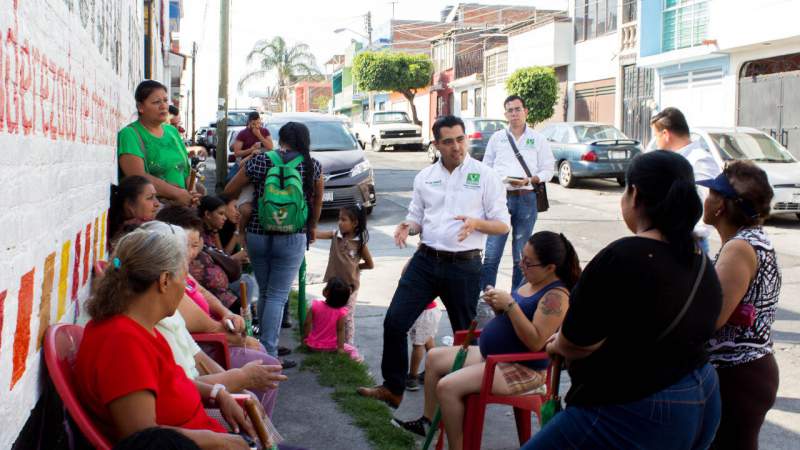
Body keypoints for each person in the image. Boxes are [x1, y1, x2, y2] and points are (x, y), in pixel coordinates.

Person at [524, 151, 723, 449]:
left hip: (637, 405)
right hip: (701, 392)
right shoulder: (699, 256)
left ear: (635, 193)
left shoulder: (624, 256)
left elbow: (578, 341)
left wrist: (556, 344)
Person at [357, 115, 511, 409]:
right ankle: (393, 387)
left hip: (464, 266)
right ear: (437, 144)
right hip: (425, 261)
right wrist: (407, 227)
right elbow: (416, 217)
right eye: (449, 141)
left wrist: (476, 223)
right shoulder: (425, 177)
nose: (456, 146)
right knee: (394, 321)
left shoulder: (485, 175)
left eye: (460, 139)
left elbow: (503, 225)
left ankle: (470, 392)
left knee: (465, 335)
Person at [74, 223, 254, 449]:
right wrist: (219, 442)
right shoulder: (123, 343)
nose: (186, 288)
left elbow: (170, 382)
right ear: (164, 281)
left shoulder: (139, 328)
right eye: (184, 277)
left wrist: (217, 392)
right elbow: (144, 440)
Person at [393, 231, 579, 449]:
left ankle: (457, 446)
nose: (521, 265)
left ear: (550, 268)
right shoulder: (530, 278)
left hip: (522, 368)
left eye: (528, 262)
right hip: (496, 357)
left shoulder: (556, 297)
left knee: (447, 387)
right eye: (521, 257)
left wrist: (510, 305)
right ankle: (428, 422)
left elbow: (536, 342)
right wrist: (499, 307)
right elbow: (515, 320)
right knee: (433, 357)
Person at [224, 122, 324, 359]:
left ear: (281, 139)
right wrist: (312, 227)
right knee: (278, 296)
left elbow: (229, 189)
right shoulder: (312, 165)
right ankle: (268, 352)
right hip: (293, 236)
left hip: (258, 232)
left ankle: (262, 348)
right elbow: (318, 201)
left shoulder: (261, 161)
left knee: (267, 291)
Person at [699, 162, 781, 450]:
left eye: (711, 193)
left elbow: (711, 318)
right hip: (747, 372)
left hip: (738, 376)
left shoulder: (739, 248)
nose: (705, 199)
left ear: (721, 205)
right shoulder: (750, 241)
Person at [481, 95, 554, 291]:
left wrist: (531, 180)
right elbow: (486, 168)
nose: (514, 114)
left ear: (525, 111)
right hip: (500, 199)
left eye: (517, 109)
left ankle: (516, 299)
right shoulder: (497, 138)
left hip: (526, 199)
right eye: (510, 110)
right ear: (506, 114)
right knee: (492, 253)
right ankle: (486, 297)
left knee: (521, 256)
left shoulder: (537, 139)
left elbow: (548, 169)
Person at [117, 80, 199, 207]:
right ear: (140, 107)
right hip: (154, 212)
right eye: (156, 102)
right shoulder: (130, 134)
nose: (163, 106)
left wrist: (192, 193)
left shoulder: (172, 132)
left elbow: (186, 170)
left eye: (165, 100)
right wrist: (177, 194)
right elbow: (138, 178)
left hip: (182, 209)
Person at [651, 107, 721, 253]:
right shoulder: (674, 159)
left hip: (690, 243)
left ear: (665, 134)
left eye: (656, 136)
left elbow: (711, 203)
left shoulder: (699, 160)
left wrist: (694, 235)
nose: (656, 143)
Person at [315, 204, 374, 346]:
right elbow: (316, 233)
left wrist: (356, 267)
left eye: (344, 219)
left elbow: (370, 264)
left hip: (349, 288)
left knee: (346, 317)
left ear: (355, 223)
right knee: (331, 313)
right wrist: (307, 230)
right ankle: (332, 341)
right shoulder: (335, 235)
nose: (339, 222)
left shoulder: (360, 244)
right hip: (333, 285)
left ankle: (347, 345)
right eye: (339, 219)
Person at [197, 195, 258, 314]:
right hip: (213, 288)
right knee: (247, 281)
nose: (224, 218)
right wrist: (234, 259)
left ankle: (246, 316)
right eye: (221, 214)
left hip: (220, 284)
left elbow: (221, 255)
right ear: (208, 215)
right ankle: (245, 317)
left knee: (248, 280)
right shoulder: (200, 236)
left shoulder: (212, 232)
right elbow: (219, 259)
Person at [302, 277, 362, 361]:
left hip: (313, 346)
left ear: (326, 292)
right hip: (331, 347)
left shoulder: (315, 306)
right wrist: (340, 348)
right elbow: (340, 330)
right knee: (352, 349)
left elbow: (307, 324)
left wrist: (306, 339)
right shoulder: (341, 312)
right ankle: (357, 360)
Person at [108, 175, 160, 247]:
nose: (157, 204)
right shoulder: (130, 239)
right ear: (130, 204)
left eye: (155, 197)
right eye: (150, 198)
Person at [404, 299, 442, 392]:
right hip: (432, 310)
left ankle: (413, 378)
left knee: (418, 345)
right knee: (428, 340)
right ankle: (432, 371)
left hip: (422, 313)